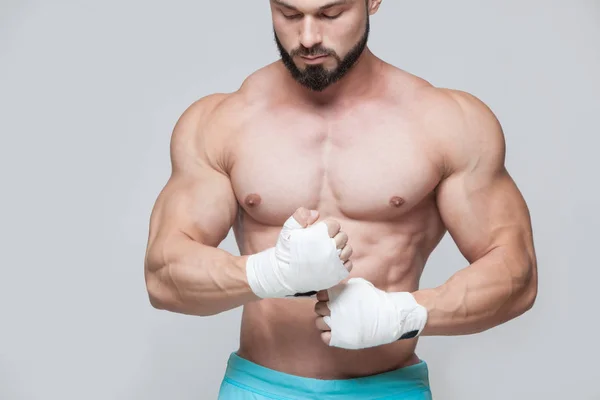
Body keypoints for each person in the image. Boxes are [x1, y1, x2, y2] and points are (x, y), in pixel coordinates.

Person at [143, 0, 538, 398]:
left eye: (331, 14)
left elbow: (515, 274)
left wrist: (401, 314)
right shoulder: (223, 121)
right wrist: (271, 273)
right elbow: (163, 274)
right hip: (258, 389)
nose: (309, 37)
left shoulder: (445, 122)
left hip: (387, 390)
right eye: (290, 14)